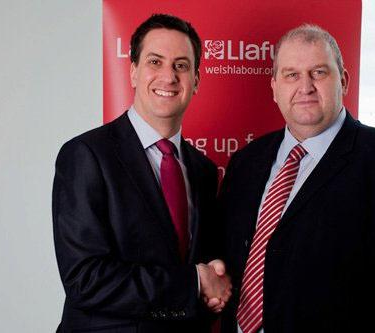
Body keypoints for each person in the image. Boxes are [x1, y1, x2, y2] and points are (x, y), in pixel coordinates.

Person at [218, 24, 375, 333]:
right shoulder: (246, 163)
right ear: (275, 87)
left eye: (318, 72)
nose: (305, 86)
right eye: (291, 75)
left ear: (343, 81)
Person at [53, 14, 231, 333]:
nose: (168, 76)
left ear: (197, 80)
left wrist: (213, 280)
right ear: (133, 72)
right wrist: (193, 282)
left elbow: (199, 267)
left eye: (181, 65)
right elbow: (85, 280)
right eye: (155, 62)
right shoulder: (86, 155)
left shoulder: (203, 171)